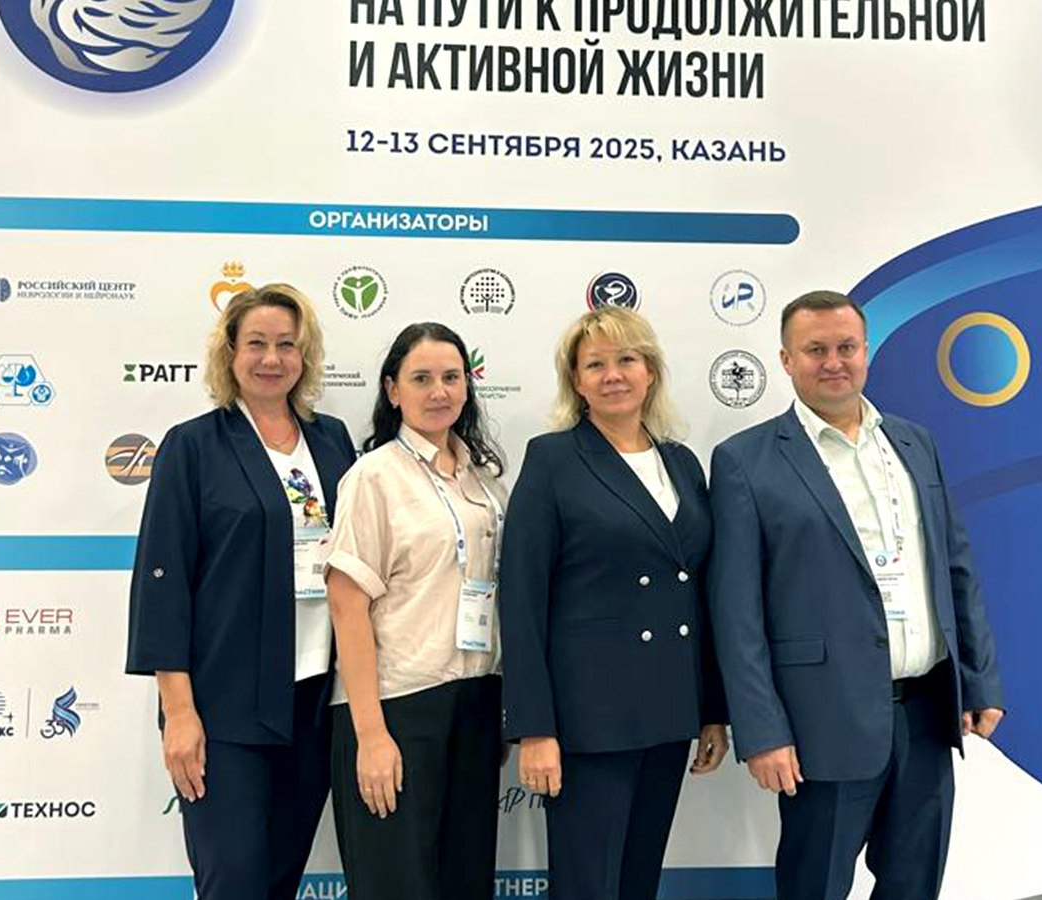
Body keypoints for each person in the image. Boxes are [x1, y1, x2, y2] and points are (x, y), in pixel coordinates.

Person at [707, 290, 1005, 900]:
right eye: (815, 350)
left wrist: (978, 683)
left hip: (926, 714)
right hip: (822, 722)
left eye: (846, 347)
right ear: (786, 360)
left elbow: (955, 569)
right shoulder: (745, 461)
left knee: (914, 886)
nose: (833, 362)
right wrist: (761, 731)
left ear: (866, 352)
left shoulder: (914, 443)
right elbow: (736, 613)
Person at [126, 284, 356, 900]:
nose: (271, 359)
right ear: (229, 353)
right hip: (225, 706)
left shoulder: (332, 441)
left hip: (315, 702)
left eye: (286, 345)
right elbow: (163, 580)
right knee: (235, 880)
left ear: (304, 356)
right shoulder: (194, 445)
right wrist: (179, 711)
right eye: (256, 343)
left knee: (280, 879)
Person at [500, 307, 730, 900]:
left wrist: (712, 708)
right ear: (576, 382)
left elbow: (700, 595)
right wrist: (534, 728)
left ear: (650, 371)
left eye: (626, 360)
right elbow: (521, 602)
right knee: (587, 886)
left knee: (637, 881)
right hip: (590, 718)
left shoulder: (681, 463)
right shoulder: (553, 460)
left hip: (669, 708)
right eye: (595, 365)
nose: (613, 376)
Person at [323, 322, 508, 900]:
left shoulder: (483, 480)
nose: (439, 392)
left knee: (464, 883)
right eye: (421, 378)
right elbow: (347, 604)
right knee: (396, 885)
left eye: (451, 377)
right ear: (392, 390)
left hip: (476, 700)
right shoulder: (373, 476)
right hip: (398, 707)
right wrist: (371, 734)